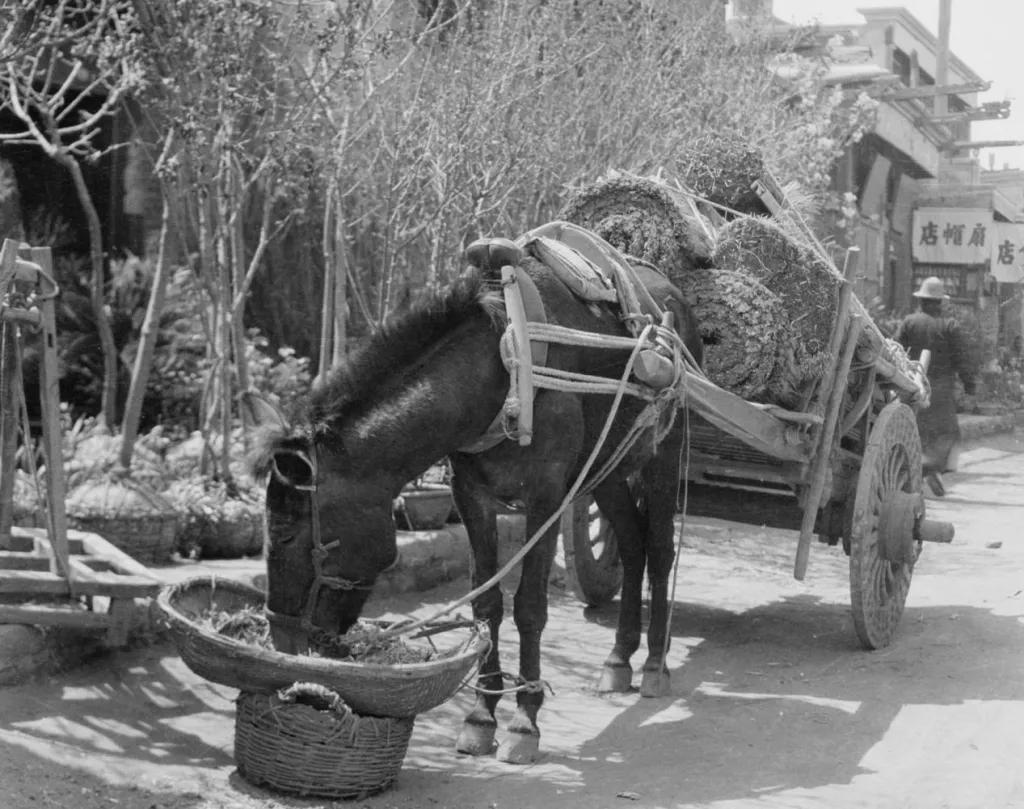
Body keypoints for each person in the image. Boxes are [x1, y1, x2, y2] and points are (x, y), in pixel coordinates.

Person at [895, 276, 977, 497]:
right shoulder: (950, 326)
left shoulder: (909, 322)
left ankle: (917, 471)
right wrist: (970, 386)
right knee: (947, 434)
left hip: (911, 386)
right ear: (940, 302)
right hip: (940, 391)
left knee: (913, 431)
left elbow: (894, 352)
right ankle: (930, 469)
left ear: (921, 300)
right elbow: (962, 360)